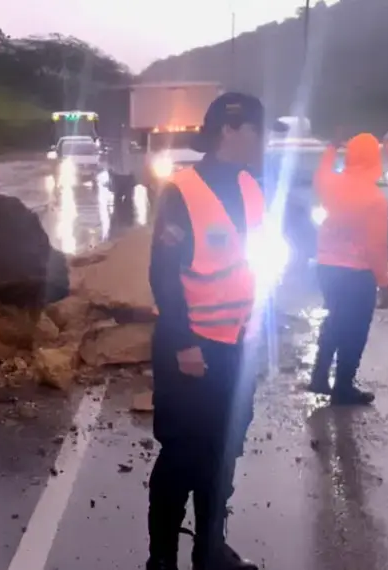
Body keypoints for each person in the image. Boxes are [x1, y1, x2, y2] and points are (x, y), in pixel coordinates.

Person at [146, 92, 271, 570]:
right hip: (192, 351)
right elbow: (162, 274)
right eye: (258, 131)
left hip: (237, 346)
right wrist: (183, 343)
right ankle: (161, 559)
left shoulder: (251, 188)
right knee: (183, 455)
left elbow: (254, 261)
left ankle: (209, 549)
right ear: (231, 131)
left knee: (223, 453)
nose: (263, 141)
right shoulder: (183, 191)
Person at [306, 132, 388, 405]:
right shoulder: (375, 199)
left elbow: (320, 173)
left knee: (335, 320)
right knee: (354, 330)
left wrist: (332, 146)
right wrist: (384, 283)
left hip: (327, 268)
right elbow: (376, 246)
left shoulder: (332, 184)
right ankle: (343, 385)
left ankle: (319, 376)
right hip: (358, 274)